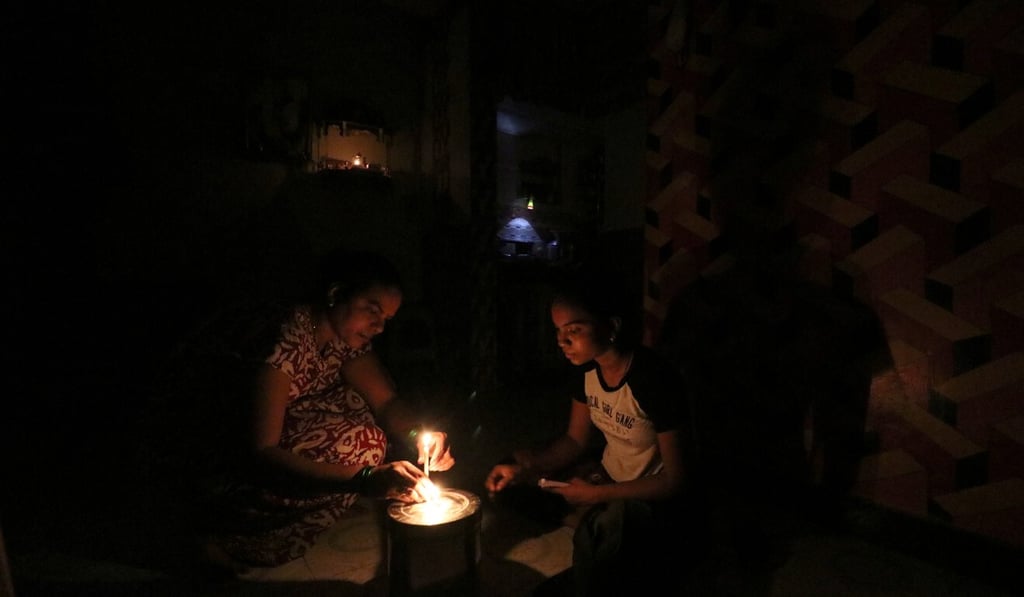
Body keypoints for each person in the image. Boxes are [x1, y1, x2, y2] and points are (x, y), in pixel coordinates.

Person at [142, 247, 454, 575]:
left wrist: (419, 435)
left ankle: (284, 517)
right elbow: (261, 451)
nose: (378, 326)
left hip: (255, 441)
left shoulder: (344, 339)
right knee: (360, 446)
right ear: (335, 294)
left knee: (359, 414)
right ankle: (217, 536)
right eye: (372, 310)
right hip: (202, 456)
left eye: (386, 319)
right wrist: (364, 478)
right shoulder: (284, 337)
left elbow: (386, 402)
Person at [484, 271, 702, 597]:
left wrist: (597, 496)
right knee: (515, 482)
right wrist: (525, 467)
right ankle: (588, 522)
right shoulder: (587, 370)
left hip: (649, 496)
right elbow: (574, 441)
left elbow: (676, 479)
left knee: (609, 535)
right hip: (607, 477)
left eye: (574, 330)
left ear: (611, 327)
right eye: (558, 331)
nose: (562, 341)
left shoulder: (654, 379)